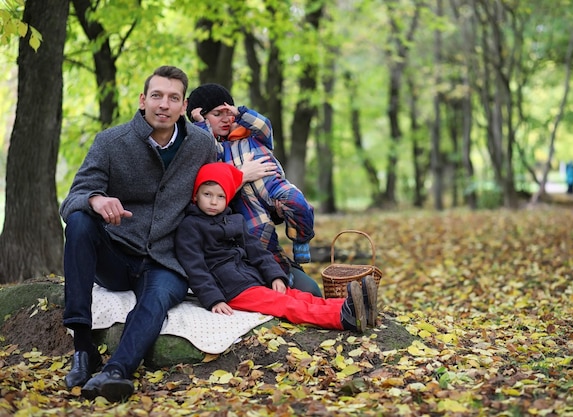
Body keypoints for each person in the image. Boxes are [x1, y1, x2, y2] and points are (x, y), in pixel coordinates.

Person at [59, 66, 276, 402]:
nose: (164, 104)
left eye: (173, 98)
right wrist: (97, 199)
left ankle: (117, 371)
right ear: (143, 100)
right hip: (116, 252)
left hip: (167, 259)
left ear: (184, 105)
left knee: (156, 300)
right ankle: (83, 349)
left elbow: (217, 190)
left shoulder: (202, 144)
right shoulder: (110, 142)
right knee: (79, 221)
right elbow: (73, 197)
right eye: (157, 95)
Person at [175, 162, 378, 332]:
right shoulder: (190, 227)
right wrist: (214, 299)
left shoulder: (235, 220)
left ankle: (357, 306)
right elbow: (196, 269)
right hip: (232, 289)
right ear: (195, 196)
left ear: (228, 198)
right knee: (287, 305)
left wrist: (275, 276)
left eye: (220, 196)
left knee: (298, 295)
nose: (213, 201)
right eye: (207, 194)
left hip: (253, 279)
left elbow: (257, 251)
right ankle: (342, 317)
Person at [186, 84, 321, 296]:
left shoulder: (249, 136)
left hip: (265, 198)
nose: (225, 119)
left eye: (227, 112)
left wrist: (277, 210)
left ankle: (292, 255)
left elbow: (264, 126)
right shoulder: (207, 152)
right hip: (229, 250)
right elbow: (209, 193)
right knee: (259, 237)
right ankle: (278, 276)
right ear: (200, 118)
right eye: (216, 114)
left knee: (311, 290)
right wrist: (241, 175)